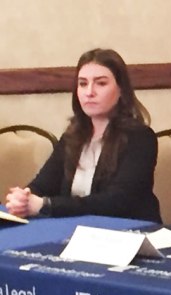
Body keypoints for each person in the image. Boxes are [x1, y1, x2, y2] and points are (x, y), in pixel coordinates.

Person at [4, 48, 161, 222]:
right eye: (83, 83)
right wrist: (25, 197)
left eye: (101, 83)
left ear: (121, 90)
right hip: (76, 230)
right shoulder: (72, 136)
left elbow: (117, 201)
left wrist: (46, 205)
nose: (89, 92)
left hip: (128, 233)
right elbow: (43, 184)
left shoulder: (141, 138)